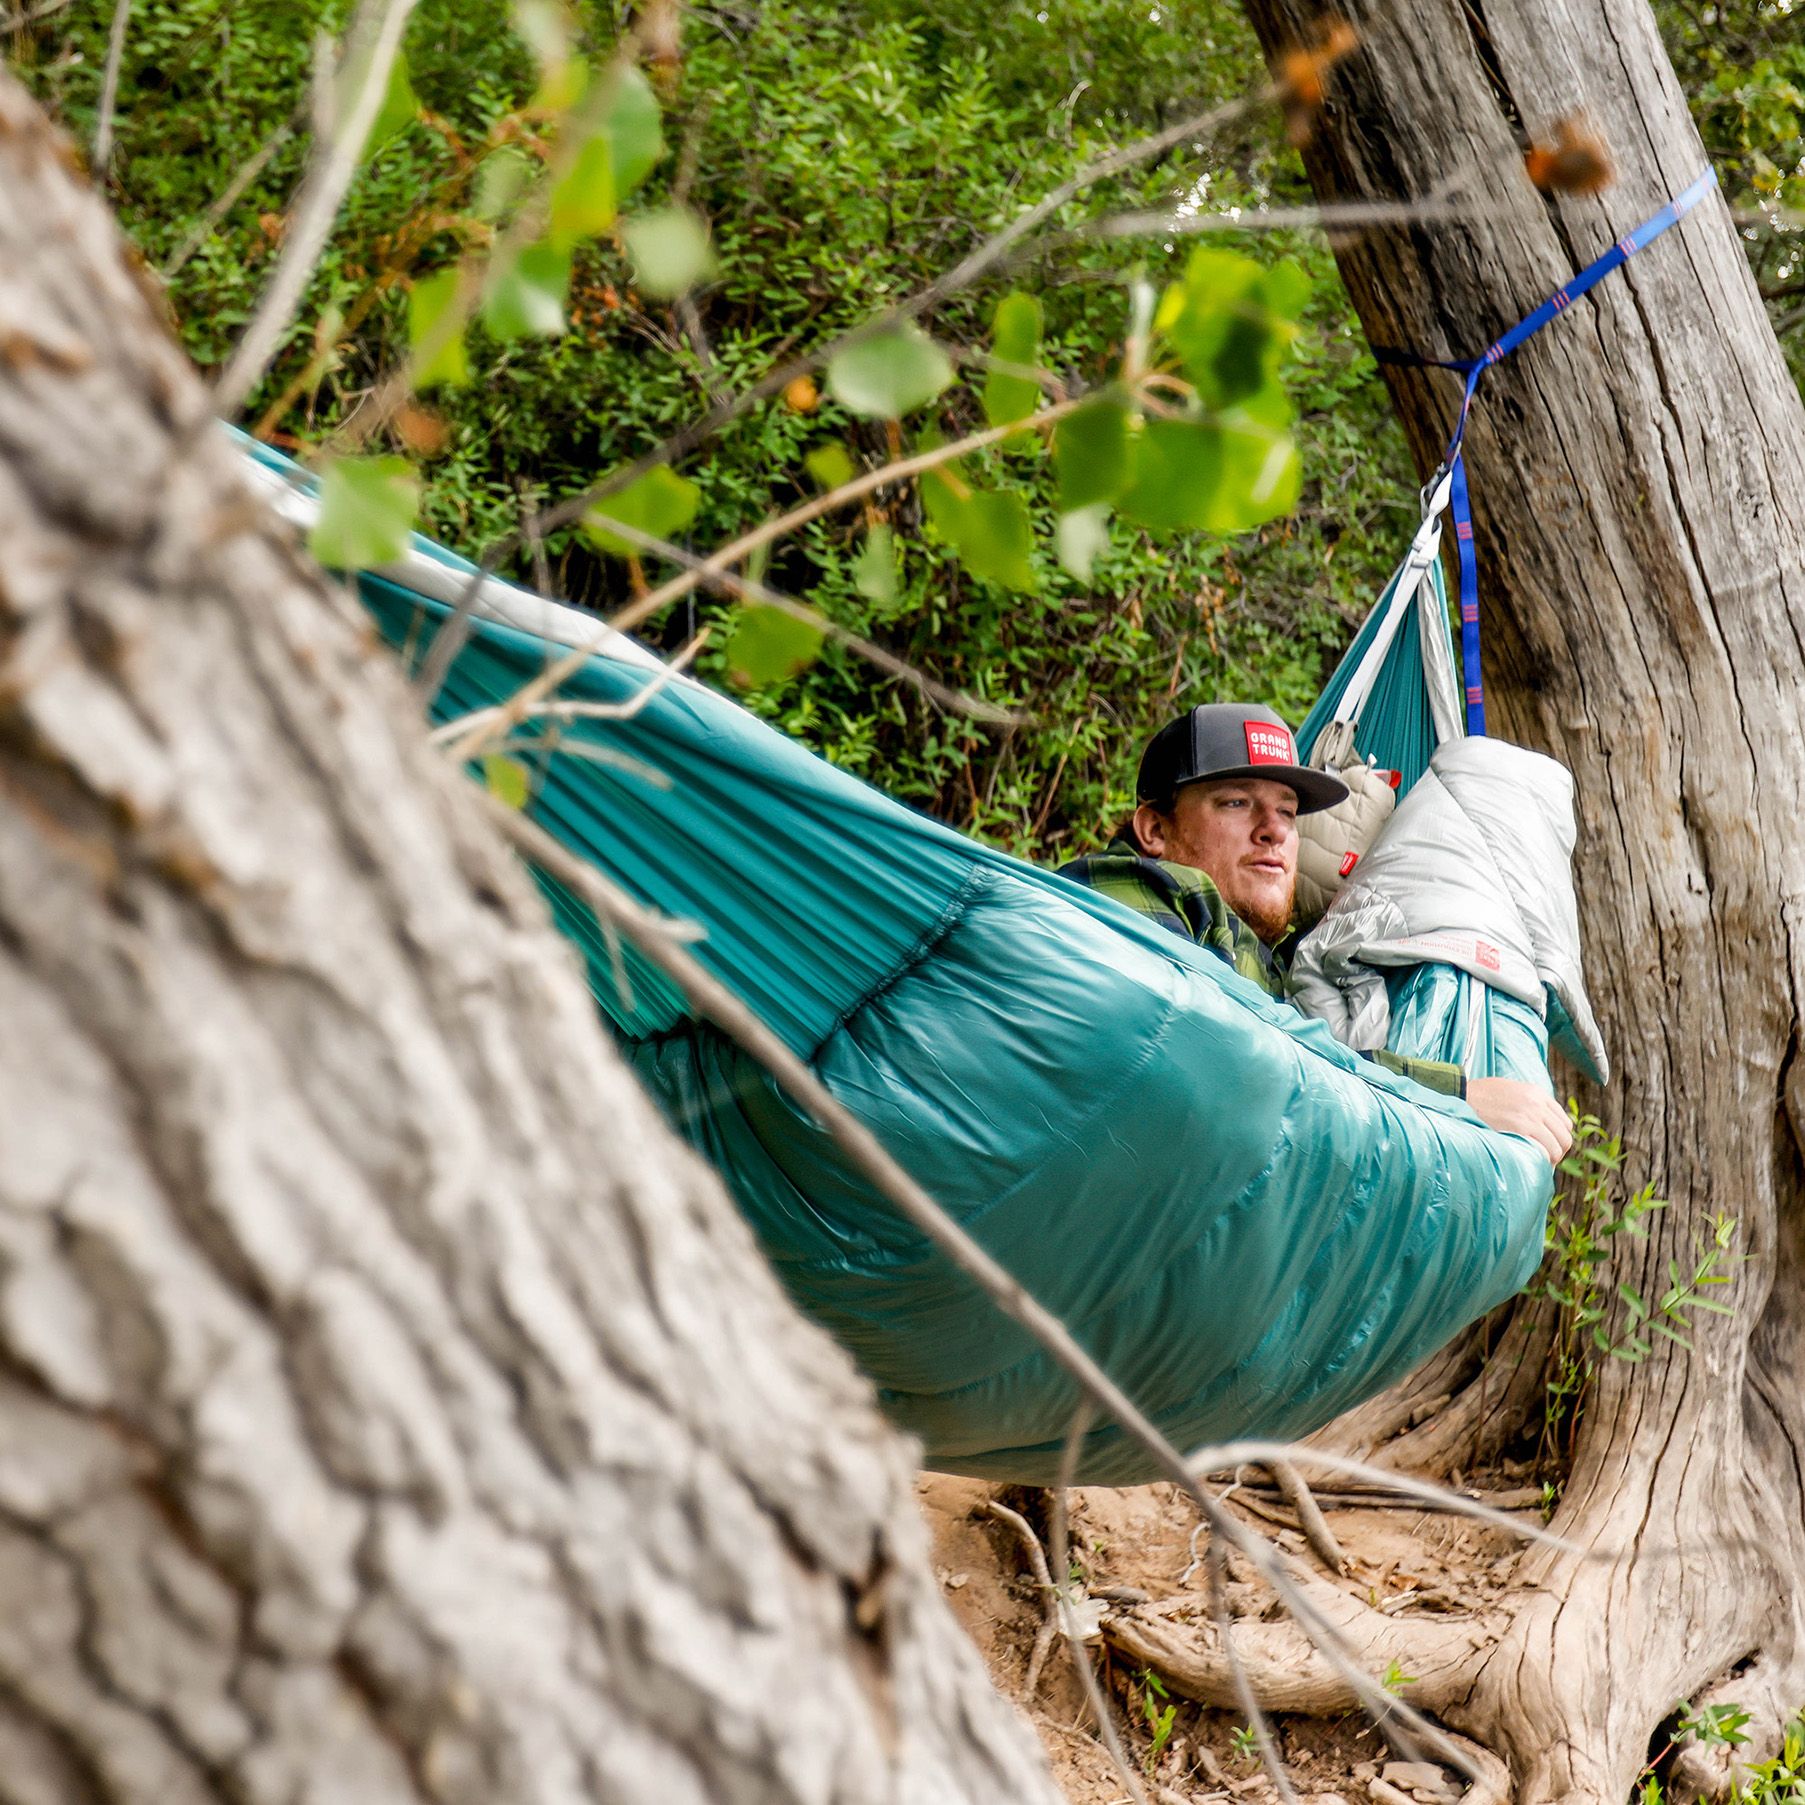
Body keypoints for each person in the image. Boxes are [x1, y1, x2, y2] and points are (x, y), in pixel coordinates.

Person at [1058, 702, 1574, 1165]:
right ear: (1153, 830)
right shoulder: (1125, 889)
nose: (1275, 830)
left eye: (1287, 812)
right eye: (1236, 803)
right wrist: (1455, 1097)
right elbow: (1216, 1053)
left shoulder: (1286, 961)